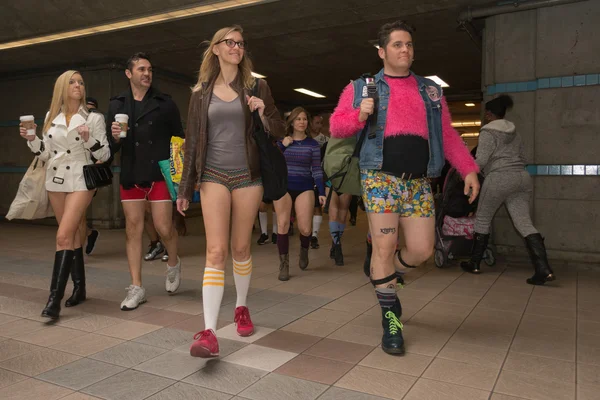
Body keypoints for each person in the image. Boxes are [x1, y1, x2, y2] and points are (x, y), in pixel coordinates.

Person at [329, 20, 479, 355]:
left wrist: (468, 168)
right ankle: (390, 316)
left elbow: (448, 136)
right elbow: (337, 127)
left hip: (418, 182)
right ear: (382, 51)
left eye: (409, 44)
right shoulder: (362, 87)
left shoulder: (430, 90)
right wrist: (359, 113)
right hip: (380, 179)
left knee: (422, 251)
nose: (405, 50)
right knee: (383, 247)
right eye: (397, 44)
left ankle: (383, 276)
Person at [177, 25, 285, 358]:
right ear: (216, 49)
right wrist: (184, 188)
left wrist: (260, 111)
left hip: (248, 176)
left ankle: (241, 307)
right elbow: (193, 141)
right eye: (230, 42)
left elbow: (279, 129)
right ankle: (208, 331)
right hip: (212, 175)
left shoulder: (257, 86)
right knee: (216, 251)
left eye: (240, 43)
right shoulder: (201, 93)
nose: (236, 47)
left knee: (240, 247)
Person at [19, 70, 110, 318]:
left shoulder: (94, 118)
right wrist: (32, 140)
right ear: (62, 87)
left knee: (62, 236)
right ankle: (79, 289)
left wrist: (90, 140)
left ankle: (53, 301)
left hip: (82, 179)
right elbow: (46, 154)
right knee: (71, 236)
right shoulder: (51, 116)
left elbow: (104, 156)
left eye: (80, 82)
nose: (78, 85)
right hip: (55, 180)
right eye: (72, 82)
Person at [107, 52, 184, 311]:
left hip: (159, 173)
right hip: (131, 173)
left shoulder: (165, 104)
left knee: (163, 227)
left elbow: (179, 141)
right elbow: (110, 147)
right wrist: (115, 138)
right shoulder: (117, 105)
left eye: (149, 69)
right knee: (133, 228)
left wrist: (180, 176)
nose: (146, 73)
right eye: (141, 69)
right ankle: (137, 287)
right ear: (129, 74)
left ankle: (173, 263)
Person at [461, 95, 555, 285]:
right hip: (521, 178)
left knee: (483, 218)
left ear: (488, 114)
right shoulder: (516, 133)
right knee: (524, 223)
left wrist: (464, 170)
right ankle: (543, 269)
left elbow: (480, 160)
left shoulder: (487, 133)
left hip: (499, 178)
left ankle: (475, 262)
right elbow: (525, 157)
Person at [274, 107, 326, 281]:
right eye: (298, 119)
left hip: (305, 186)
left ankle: (304, 250)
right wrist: (282, 145)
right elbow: (272, 160)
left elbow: (317, 169)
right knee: (282, 224)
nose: (302, 122)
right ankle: (284, 264)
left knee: (305, 228)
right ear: (292, 122)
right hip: (284, 187)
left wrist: (321, 190)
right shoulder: (283, 141)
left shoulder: (312, 145)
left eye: (304, 119)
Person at [310, 114, 328, 248]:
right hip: (302, 176)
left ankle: (314, 235)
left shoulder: (325, 140)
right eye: (316, 123)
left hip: (317, 176)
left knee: (317, 206)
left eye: (320, 123)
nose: (319, 126)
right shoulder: (302, 139)